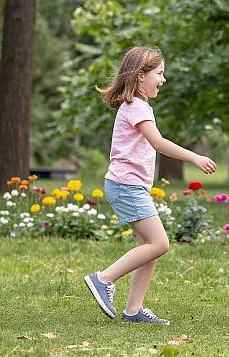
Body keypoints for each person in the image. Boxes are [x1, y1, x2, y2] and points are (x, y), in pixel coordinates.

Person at [84, 46, 216, 325]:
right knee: (159, 243)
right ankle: (103, 278)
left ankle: (134, 310)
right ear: (140, 76)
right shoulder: (136, 106)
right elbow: (158, 142)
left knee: (150, 244)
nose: (163, 79)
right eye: (159, 73)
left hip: (129, 185)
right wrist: (195, 157)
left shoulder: (135, 105)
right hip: (126, 185)